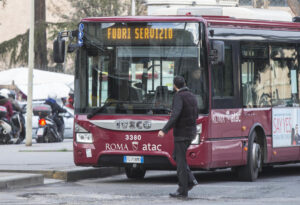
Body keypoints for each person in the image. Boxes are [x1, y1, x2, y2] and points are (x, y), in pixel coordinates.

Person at [158, 76, 198, 198]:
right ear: (184, 83)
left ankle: (182, 190)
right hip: (191, 132)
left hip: (181, 133)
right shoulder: (192, 95)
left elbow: (175, 116)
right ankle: (190, 180)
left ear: (175, 86)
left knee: (180, 162)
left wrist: (164, 130)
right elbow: (196, 114)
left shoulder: (178, 96)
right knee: (177, 156)